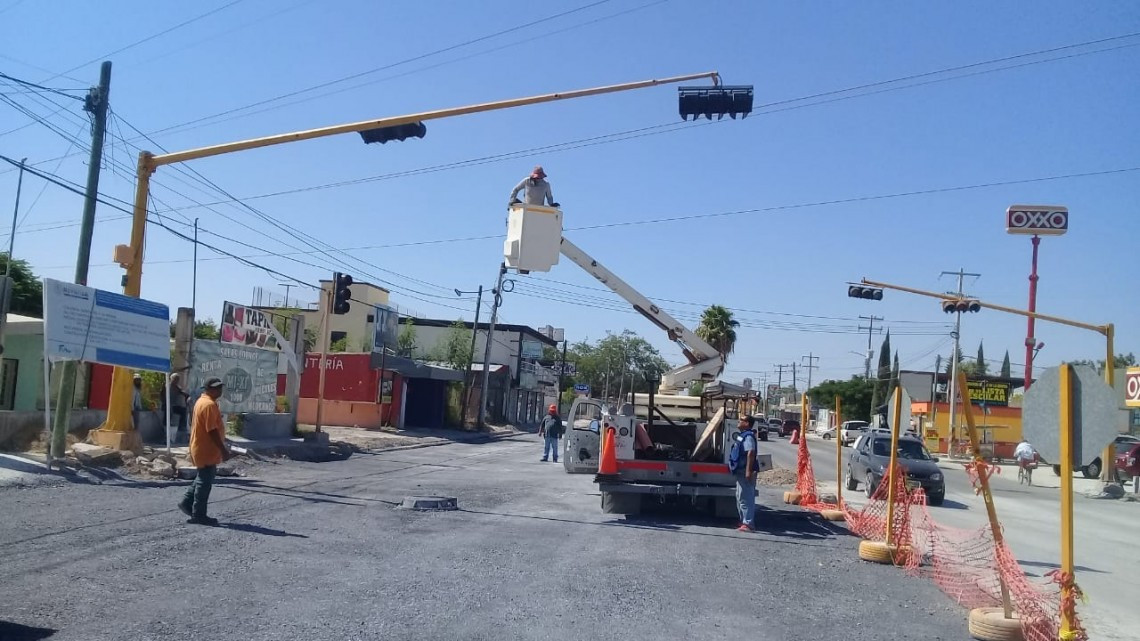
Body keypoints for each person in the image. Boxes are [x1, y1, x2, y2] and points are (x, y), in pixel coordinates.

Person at [179, 377, 231, 526]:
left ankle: (186, 502)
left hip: (201, 447)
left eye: (221, 387)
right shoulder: (208, 405)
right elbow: (212, 430)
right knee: (205, 482)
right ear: (210, 389)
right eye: (217, 388)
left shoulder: (202, 402)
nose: (220, 391)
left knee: (202, 477)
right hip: (206, 448)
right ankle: (199, 514)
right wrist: (223, 449)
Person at [731, 415, 759, 532]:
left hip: (745, 472)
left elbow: (750, 453)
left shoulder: (748, 437)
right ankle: (743, 521)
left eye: (741, 420)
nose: (739, 421)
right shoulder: (742, 436)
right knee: (740, 497)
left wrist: (748, 471)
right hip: (740, 471)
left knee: (746, 498)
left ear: (747, 423)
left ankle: (748, 524)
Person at [161, 373, 191, 444]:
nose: (177, 381)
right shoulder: (167, 386)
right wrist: (166, 404)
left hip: (173, 405)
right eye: (175, 379)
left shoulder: (177, 387)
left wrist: (188, 396)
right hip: (166, 405)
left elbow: (183, 393)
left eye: (178, 379)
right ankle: (166, 433)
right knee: (168, 412)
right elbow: (162, 396)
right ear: (171, 379)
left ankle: (182, 427)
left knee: (183, 410)